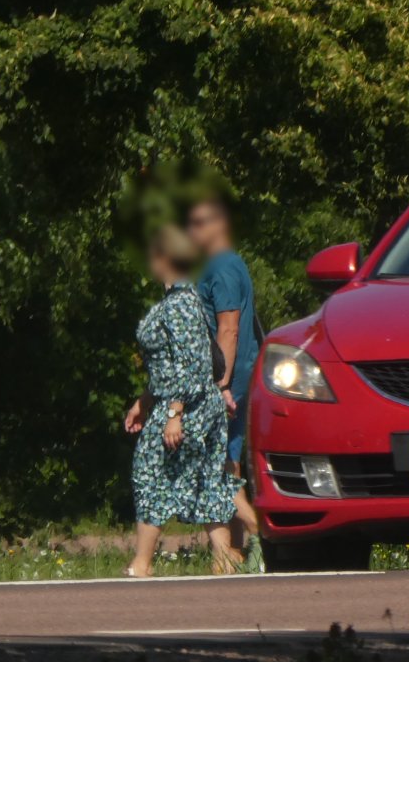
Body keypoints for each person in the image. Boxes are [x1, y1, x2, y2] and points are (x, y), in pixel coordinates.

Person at [122, 225, 258, 577]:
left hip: (189, 405)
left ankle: (142, 563)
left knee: (150, 471)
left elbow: (190, 364)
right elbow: (170, 365)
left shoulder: (181, 303)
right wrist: (144, 402)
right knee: (206, 479)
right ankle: (231, 553)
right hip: (196, 402)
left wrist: (174, 413)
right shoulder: (180, 299)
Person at [185, 196, 260, 478]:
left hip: (229, 376)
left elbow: (229, 328)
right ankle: (239, 524)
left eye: (198, 224)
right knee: (227, 459)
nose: (191, 232)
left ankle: (252, 524)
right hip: (236, 372)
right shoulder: (228, 263)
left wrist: (221, 386)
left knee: (210, 463)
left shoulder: (222, 267)